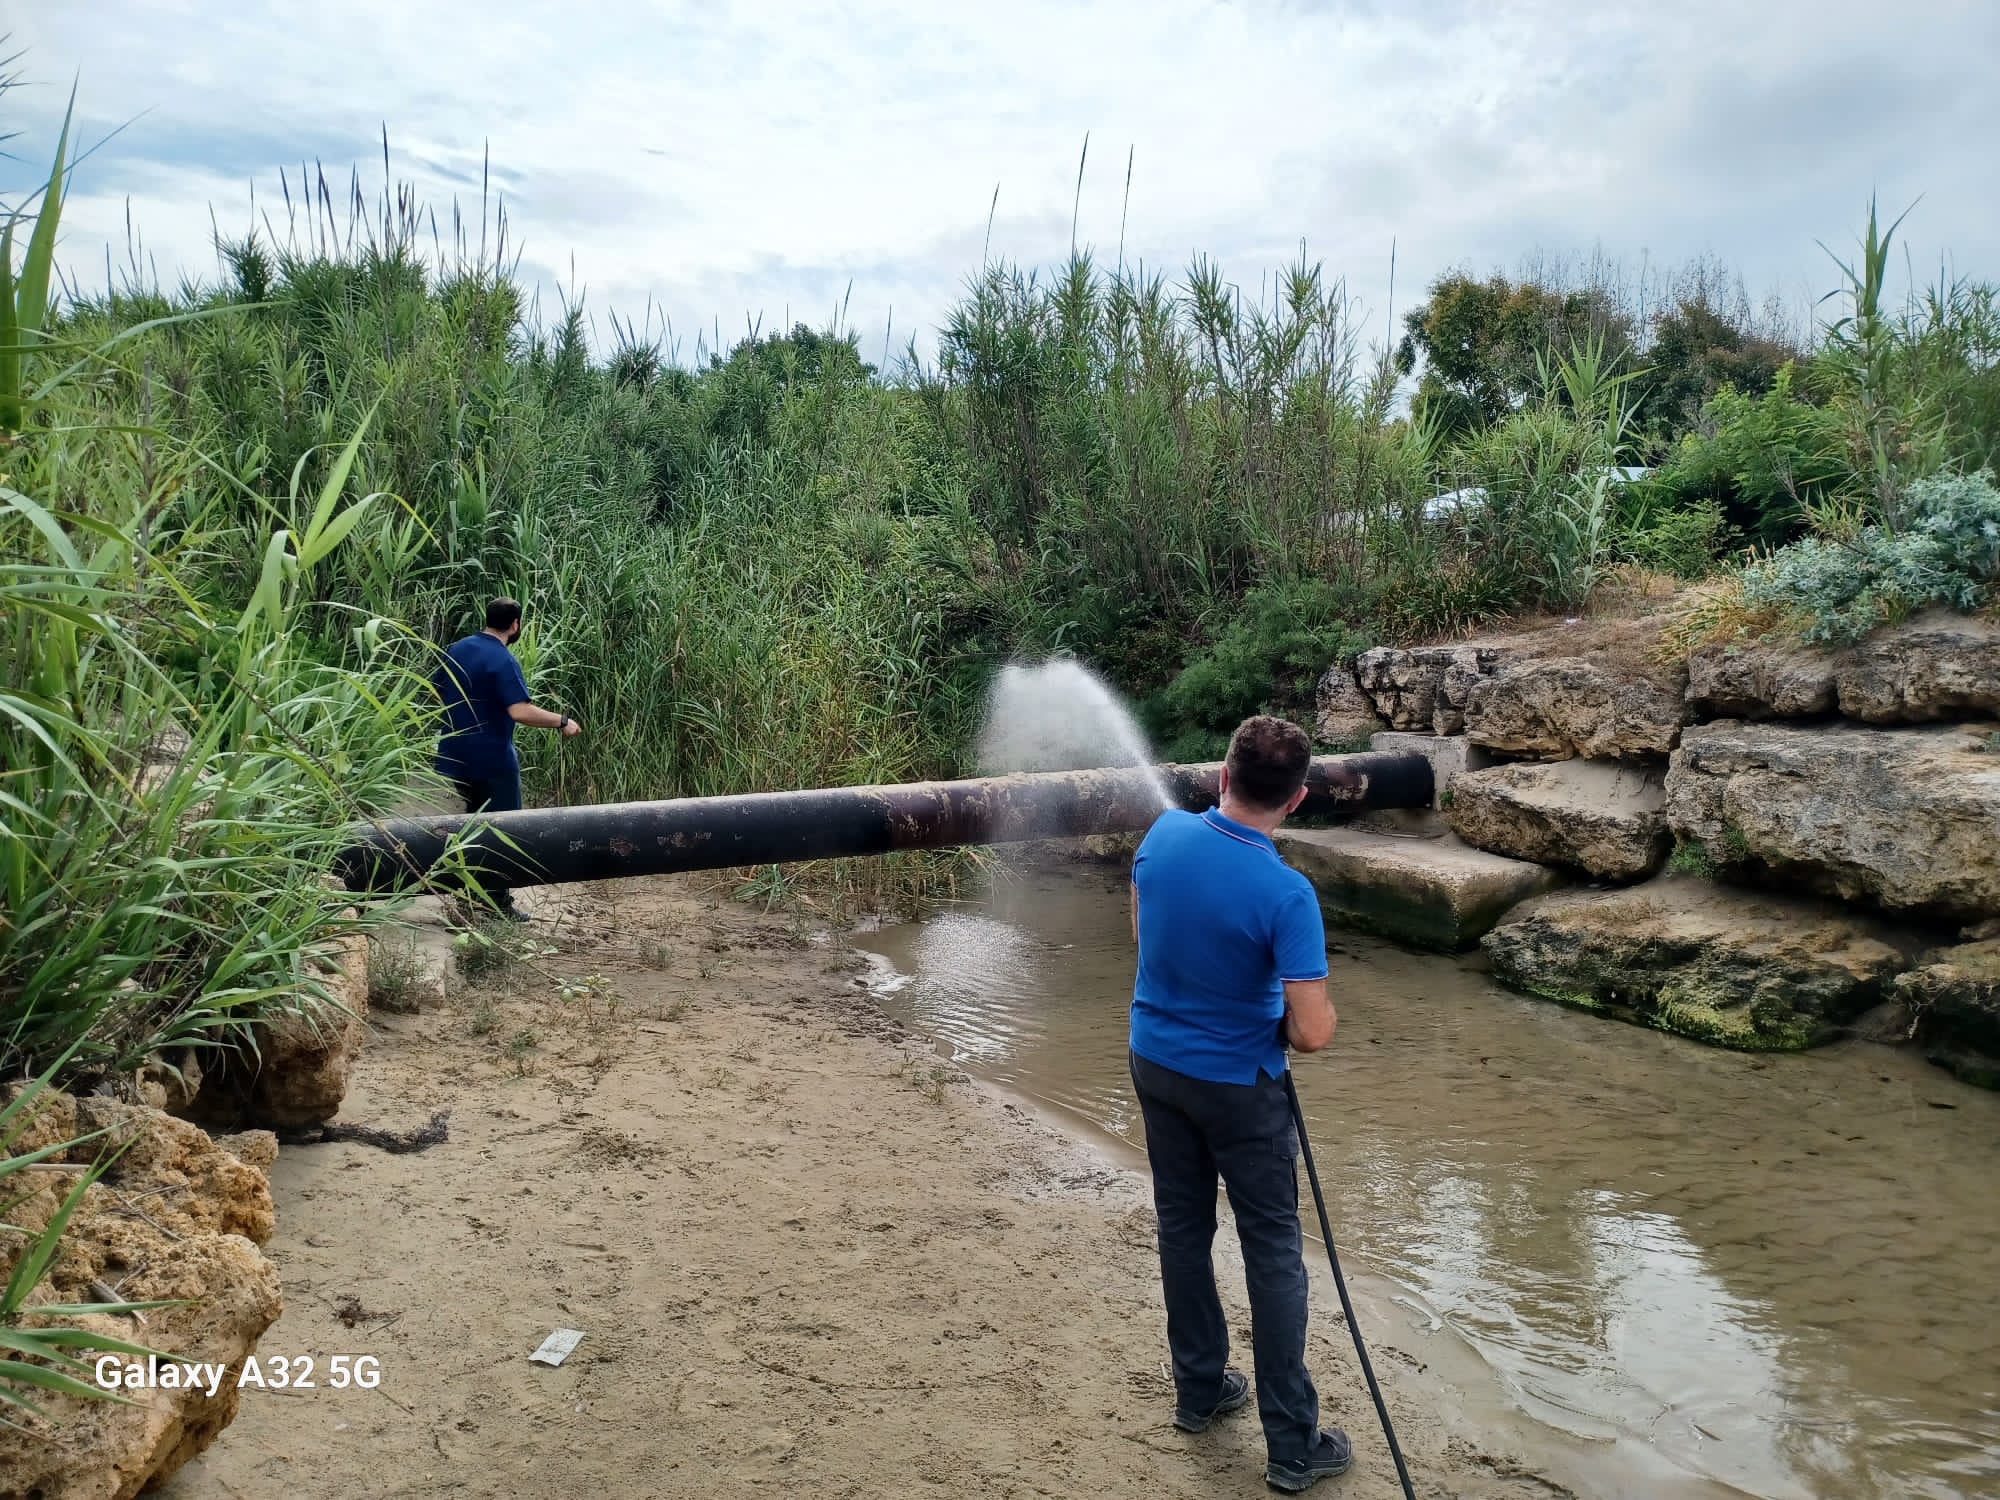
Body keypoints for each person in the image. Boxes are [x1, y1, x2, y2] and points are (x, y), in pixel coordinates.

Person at [1127, 714, 1349, 1493]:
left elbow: (1144, 933)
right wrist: (1280, 1012)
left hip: (1154, 1062)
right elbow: (1313, 1032)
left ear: (1223, 776)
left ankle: (1199, 1391)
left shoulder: (1162, 833)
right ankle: (1292, 1444)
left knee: (1183, 1227)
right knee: (1273, 1252)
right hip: (1240, 1090)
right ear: (1296, 801)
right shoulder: (1288, 894)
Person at [433, 597, 582, 921]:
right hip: (492, 759)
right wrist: (563, 721)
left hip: (454, 755)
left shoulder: (457, 649)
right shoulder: (502, 660)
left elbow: (436, 689)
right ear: (515, 625)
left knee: (473, 823)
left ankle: (468, 895)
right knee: (503, 829)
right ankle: (494, 904)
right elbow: (520, 711)